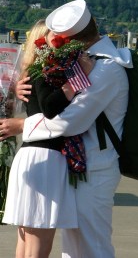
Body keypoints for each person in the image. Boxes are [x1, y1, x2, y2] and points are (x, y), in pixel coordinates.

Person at [0, 0, 132, 258]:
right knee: (74, 249)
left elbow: (69, 122)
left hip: (96, 169)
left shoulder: (106, 68)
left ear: (72, 40)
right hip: (81, 166)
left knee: (91, 248)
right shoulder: (94, 62)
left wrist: (21, 125)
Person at [2, 18, 94, 258]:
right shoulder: (45, 74)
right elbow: (51, 109)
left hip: (29, 155)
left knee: (25, 243)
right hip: (46, 160)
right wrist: (78, 78)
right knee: (38, 245)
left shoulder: (29, 75)